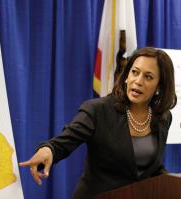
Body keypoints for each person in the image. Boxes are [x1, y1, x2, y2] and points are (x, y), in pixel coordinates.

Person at [19, 47, 177, 199]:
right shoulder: (98, 110)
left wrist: (174, 184)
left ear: (159, 86)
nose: (138, 81)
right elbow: (64, 142)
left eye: (148, 77)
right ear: (127, 76)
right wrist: (48, 150)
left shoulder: (162, 118)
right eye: (134, 72)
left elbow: (152, 169)